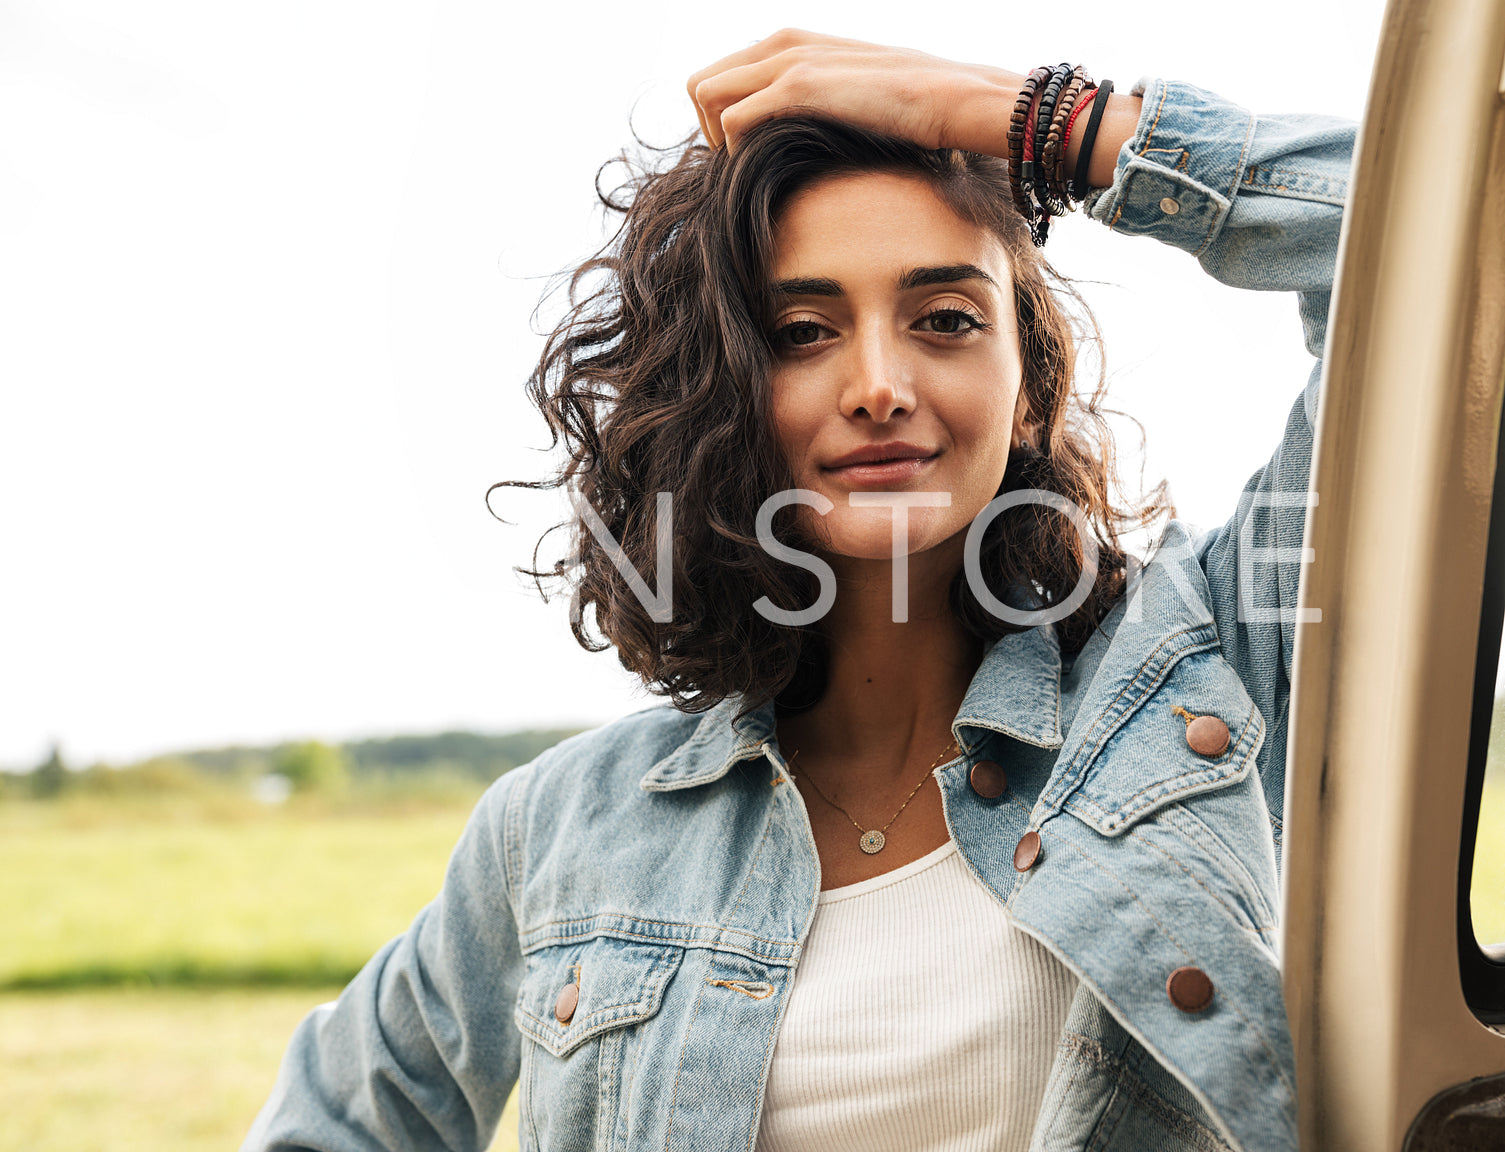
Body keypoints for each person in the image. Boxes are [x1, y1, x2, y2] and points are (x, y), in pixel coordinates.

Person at [243, 29, 1353, 1152]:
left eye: (946, 320)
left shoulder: (1207, 665)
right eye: (801, 333)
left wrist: (1039, 122)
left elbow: (1443, 243)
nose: (877, 384)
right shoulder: (565, 827)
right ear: (721, 392)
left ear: (1027, 388)